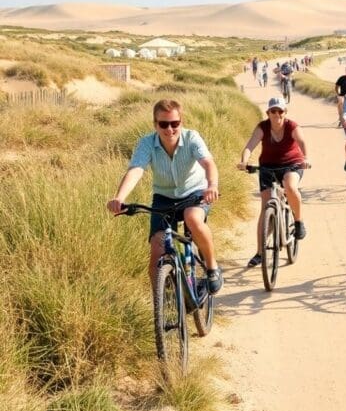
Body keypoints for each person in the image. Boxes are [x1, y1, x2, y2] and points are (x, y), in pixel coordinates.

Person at [106, 99, 223, 294]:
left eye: (174, 123)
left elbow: (208, 163)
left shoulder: (192, 138)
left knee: (192, 218)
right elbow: (136, 170)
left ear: (181, 122)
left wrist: (212, 186)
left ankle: (212, 268)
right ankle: (161, 305)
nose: (169, 129)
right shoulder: (147, 143)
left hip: (193, 193)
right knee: (156, 253)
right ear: (155, 125)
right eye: (163, 124)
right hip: (164, 197)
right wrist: (119, 197)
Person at [237, 97, 311, 266]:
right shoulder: (263, 127)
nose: (277, 114)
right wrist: (244, 161)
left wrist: (306, 158)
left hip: (292, 164)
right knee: (265, 208)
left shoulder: (291, 126)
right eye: (273, 111)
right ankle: (260, 253)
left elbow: (302, 142)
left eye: (280, 111)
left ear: (285, 113)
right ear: (268, 113)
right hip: (268, 167)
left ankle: (298, 222)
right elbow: (250, 146)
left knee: (290, 186)